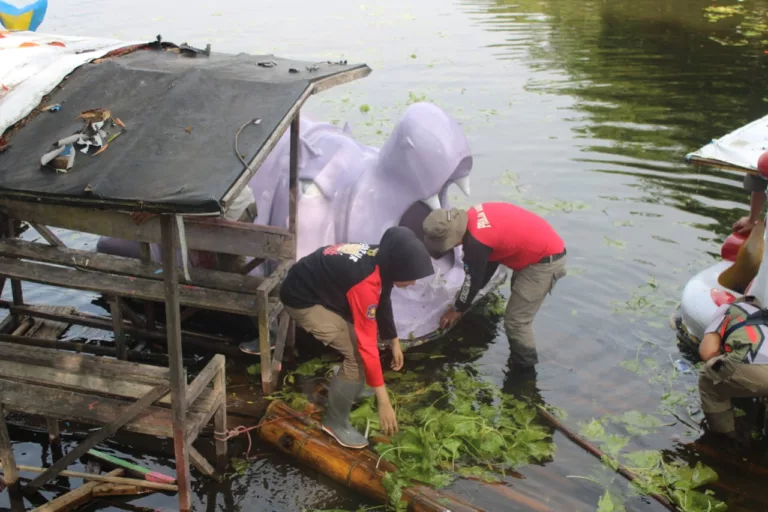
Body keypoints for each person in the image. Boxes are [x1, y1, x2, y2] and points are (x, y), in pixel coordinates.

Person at [279, 226, 434, 449]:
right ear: (396, 267)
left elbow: (384, 298)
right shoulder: (365, 283)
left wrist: (394, 340)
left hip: (319, 286)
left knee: (364, 353)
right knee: (357, 357)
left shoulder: (382, 256)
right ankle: (335, 423)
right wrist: (384, 401)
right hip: (301, 299)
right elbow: (367, 345)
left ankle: (353, 385)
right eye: (410, 278)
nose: (413, 283)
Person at [422, 202, 566, 370]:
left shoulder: (476, 244)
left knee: (516, 322)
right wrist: (465, 298)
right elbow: (489, 261)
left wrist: (457, 309)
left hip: (544, 262)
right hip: (538, 248)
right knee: (516, 306)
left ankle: (525, 371)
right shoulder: (474, 214)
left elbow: (473, 280)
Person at [698, 296, 768, 446]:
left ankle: (725, 438)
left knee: (708, 378)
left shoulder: (728, 309)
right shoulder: (764, 316)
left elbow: (707, 352)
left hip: (757, 365)